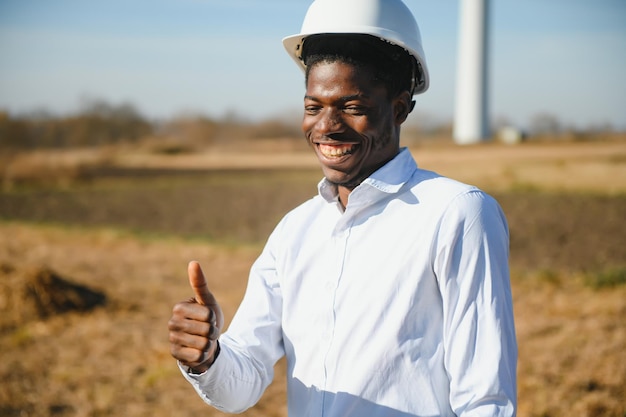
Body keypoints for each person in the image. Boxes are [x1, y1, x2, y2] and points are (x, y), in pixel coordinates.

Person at [168, 0, 518, 415]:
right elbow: (242, 384)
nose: (326, 127)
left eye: (352, 108)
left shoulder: (456, 214)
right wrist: (207, 357)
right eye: (313, 107)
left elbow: (486, 399)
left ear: (400, 108)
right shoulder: (295, 230)